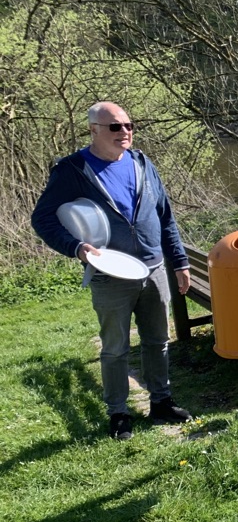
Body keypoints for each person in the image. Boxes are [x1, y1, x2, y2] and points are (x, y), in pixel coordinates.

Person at [32, 102, 193, 440]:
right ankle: (118, 413)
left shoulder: (142, 162)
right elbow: (42, 219)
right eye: (115, 127)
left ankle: (161, 402)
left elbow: (165, 216)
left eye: (129, 125)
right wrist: (76, 247)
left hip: (154, 270)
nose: (125, 132)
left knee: (158, 341)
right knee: (115, 348)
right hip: (110, 276)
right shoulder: (72, 170)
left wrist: (179, 261)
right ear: (93, 130)